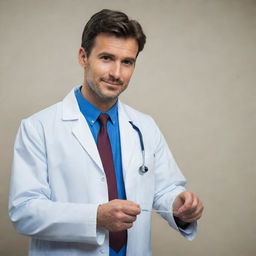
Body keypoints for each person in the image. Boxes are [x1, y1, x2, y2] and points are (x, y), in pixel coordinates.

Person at [9, 9, 203, 256]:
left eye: (127, 62)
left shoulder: (145, 126)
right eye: (106, 58)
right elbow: (24, 211)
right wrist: (96, 217)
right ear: (83, 56)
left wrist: (179, 205)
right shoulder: (38, 127)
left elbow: (165, 190)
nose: (116, 73)